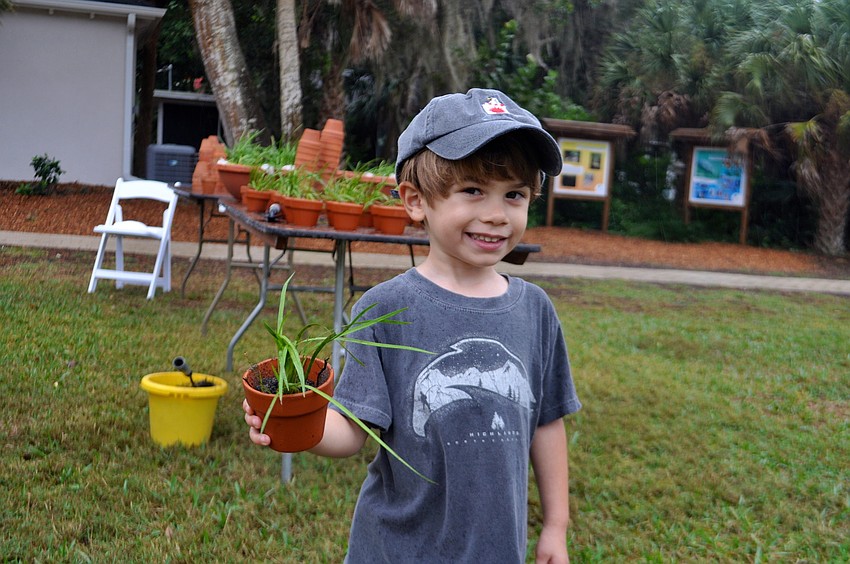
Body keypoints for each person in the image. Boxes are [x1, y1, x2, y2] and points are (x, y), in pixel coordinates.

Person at [244, 88, 582, 563]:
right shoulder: (385, 309)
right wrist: (297, 424)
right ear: (416, 200)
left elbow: (546, 422)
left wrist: (556, 525)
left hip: (496, 549)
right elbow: (354, 429)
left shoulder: (535, 310)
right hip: (397, 549)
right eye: (473, 191)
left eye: (515, 195)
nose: (496, 214)